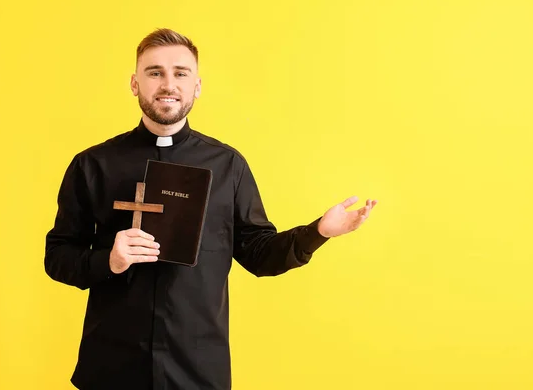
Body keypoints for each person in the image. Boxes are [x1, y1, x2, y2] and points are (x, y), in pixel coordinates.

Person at [44, 28, 378, 390]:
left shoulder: (228, 166)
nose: (167, 83)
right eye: (154, 72)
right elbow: (57, 255)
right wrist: (108, 259)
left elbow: (259, 254)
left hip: (197, 370)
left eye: (180, 73)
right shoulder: (93, 164)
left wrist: (318, 232)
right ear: (135, 83)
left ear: (197, 86)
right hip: (111, 367)